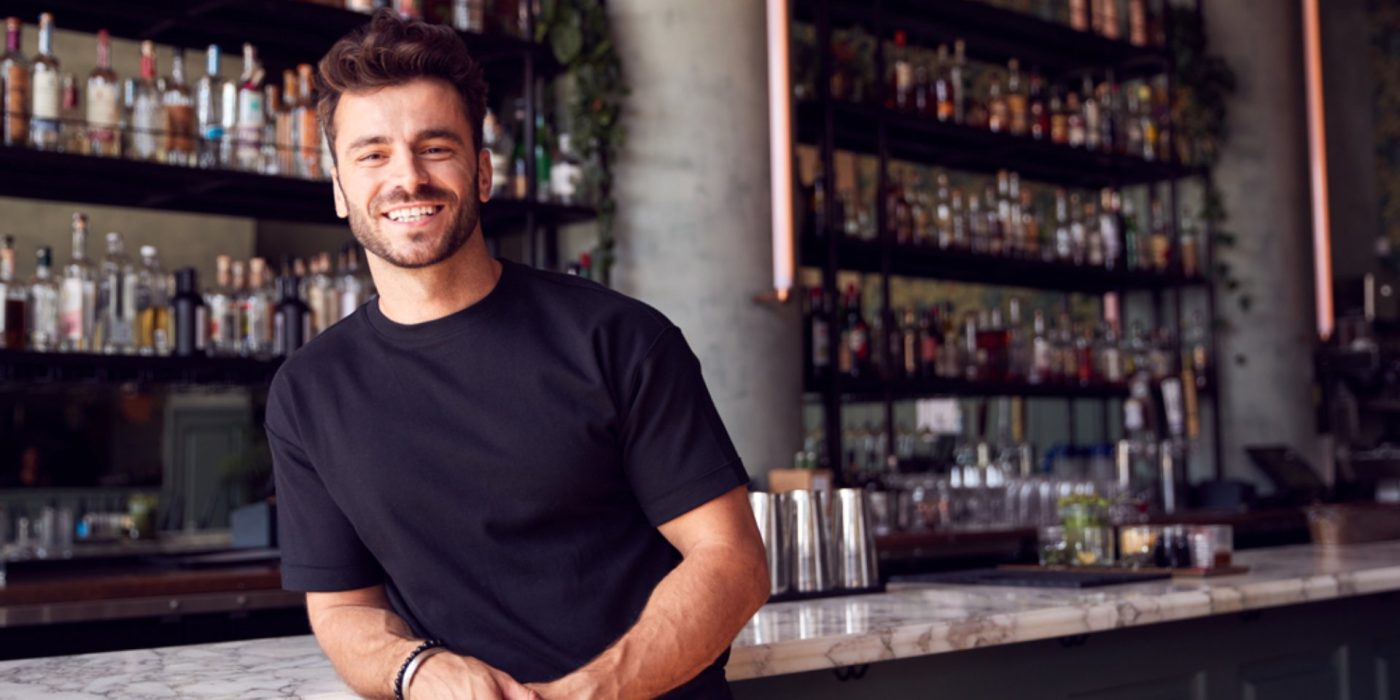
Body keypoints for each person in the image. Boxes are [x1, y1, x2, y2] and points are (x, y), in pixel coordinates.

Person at [266, 10, 769, 700]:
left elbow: (732, 562)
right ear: (339, 189)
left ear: (482, 173)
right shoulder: (309, 391)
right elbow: (343, 607)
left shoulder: (617, 340)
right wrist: (417, 671)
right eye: (373, 154)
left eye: (435, 147)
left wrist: (593, 692)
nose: (406, 178)